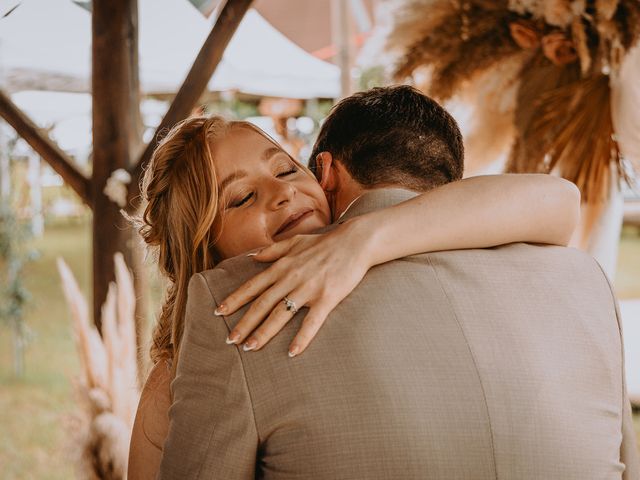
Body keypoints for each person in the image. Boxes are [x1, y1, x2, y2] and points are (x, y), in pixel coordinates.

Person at [157, 86, 638, 479]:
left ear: (323, 175)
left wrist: (360, 238)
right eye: (240, 198)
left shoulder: (231, 306)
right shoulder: (583, 278)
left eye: (287, 169)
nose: (283, 193)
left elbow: (557, 198)